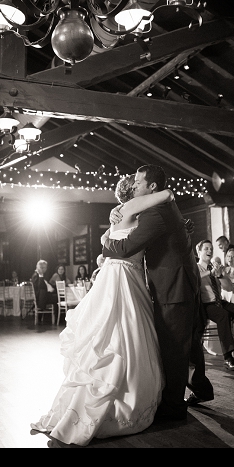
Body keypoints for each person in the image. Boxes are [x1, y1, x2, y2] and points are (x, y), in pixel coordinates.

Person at [30, 175, 173, 445]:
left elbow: (111, 244)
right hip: (124, 277)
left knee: (111, 333)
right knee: (122, 333)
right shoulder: (131, 208)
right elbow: (166, 196)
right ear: (134, 192)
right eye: (139, 185)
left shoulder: (117, 213)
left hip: (117, 274)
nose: (142, 188)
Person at [101, 165, 207, 421]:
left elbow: (126, 247)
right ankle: (200, 389)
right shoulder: (155, 210)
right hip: (177, 282)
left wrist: (105, 243)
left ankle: (173, 408)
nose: (135, 186)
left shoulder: (156, 212)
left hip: (173, 286)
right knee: (185, 342)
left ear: (152, 187)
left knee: (174, 347)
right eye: (133, 183)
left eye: (138, 182)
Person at [193, 240, 234, 372]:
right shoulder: (195, 268)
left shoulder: (216, 268)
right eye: (206, 249)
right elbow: (195, 279)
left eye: (211, 249)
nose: (210, 251)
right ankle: (228, 357)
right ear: (199, 252)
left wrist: (220, 275)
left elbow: (229, 288)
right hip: (206, 305)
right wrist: (211, 273)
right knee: (223, 315)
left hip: (221, 302)